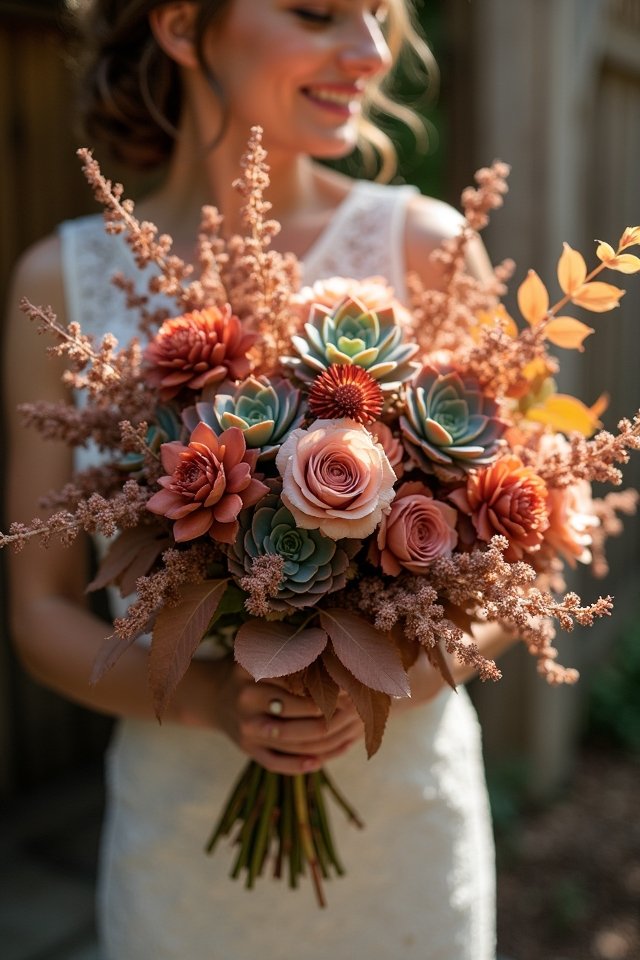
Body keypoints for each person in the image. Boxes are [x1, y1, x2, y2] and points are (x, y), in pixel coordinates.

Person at [4, 2, 511, 957]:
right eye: (320, 11)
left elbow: (532, 559)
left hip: (400, 826)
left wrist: (376, 680)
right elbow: (37, 613)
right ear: (185, 22)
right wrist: (206, 703)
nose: (370, 53)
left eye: (377, 14)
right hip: (179, 841)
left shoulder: (429, 246)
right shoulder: (65, 281)